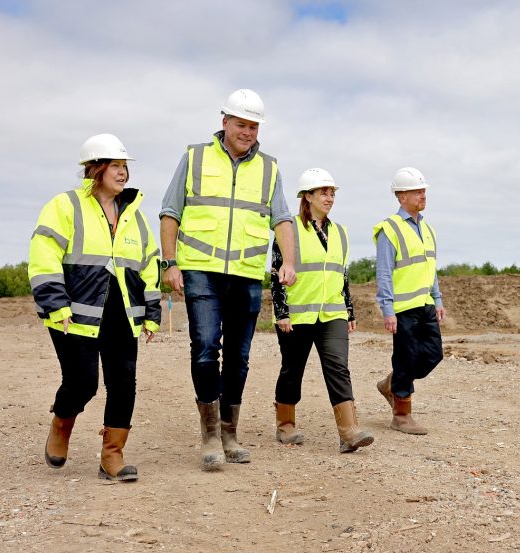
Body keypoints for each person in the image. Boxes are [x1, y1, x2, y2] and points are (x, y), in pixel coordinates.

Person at [158, 89, 297, 471]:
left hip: (247, 275)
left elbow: (282, 218)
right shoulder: (195, 158)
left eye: (254, 126)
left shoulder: (269, 168)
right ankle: (209, 437)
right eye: (241, 124)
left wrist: (289, 261)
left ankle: (229, 431)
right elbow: (170, 212)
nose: (247, 132)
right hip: (201, 270)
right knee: (205, 348)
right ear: (224, 122)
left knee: (239, 356)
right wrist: (169, 262)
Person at [28, 133, 161, 482]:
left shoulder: (134, 214)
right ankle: (61, 424)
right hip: (74, 313)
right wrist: (55, 303)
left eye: (124, 166)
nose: (122, 173)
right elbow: (44, 255)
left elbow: (148, 264)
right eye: (115, 166)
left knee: (123, 383)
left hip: (122, 313)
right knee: (83, 382)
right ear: (95, 169)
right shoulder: (65, 205)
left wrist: (151, 313)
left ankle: (112, 456)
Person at [271, 169, 374, 453]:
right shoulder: (288, 228)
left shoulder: (340, 232)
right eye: (323, 192)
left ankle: (349, 432)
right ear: (308, 196)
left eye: (332, 193)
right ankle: (285, 425)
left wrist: (349, 310)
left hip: (332, 313)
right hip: (298, 313)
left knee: (338, 368)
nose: (329, 198)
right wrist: (282, 312)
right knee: (293, 370)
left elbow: (342, 274)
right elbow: (277, 270)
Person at [372, 167, 445, 435]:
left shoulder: (428, 229)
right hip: (402, 308)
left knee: (433, 355)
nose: (422, 195)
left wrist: (437, 298)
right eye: (417, 191)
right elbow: (384, 272)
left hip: (425, 304)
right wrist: (387, 308)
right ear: (401, 196)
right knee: (405, 359)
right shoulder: (388, 229)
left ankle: (390, 384)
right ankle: (401, 416)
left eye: (424, 190)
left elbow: (430, 268)